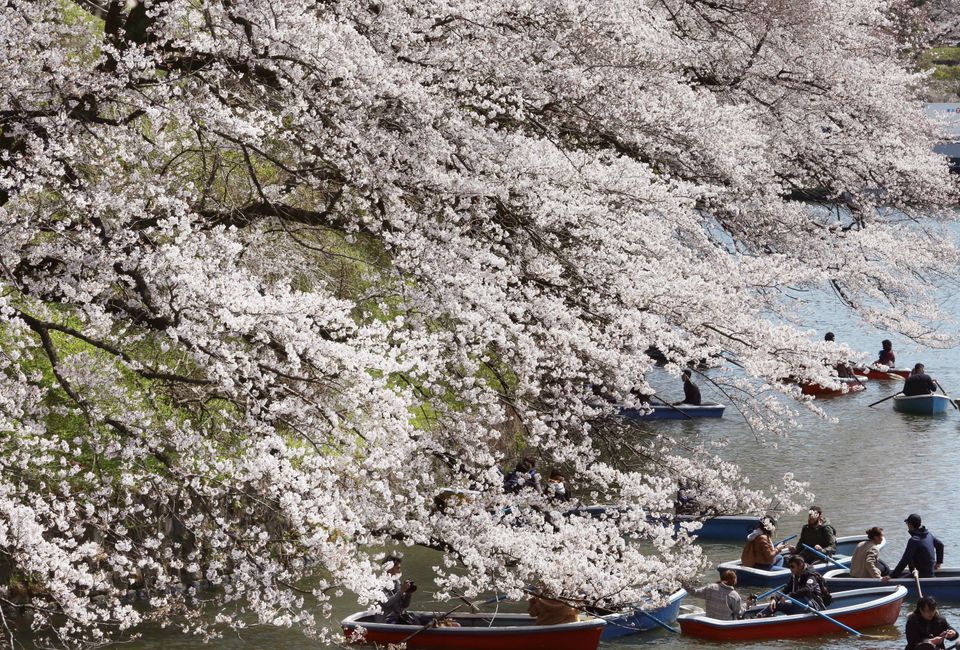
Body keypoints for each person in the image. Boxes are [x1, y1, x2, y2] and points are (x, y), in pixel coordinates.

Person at [759, 556, 827, 616]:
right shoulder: (795, 575)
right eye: (789, 567)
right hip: (798, 604)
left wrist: (789, 596)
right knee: (775, 604)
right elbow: (787, 589)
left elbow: (807, 589)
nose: (790, 569)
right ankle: (759, 616)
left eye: (792, 566)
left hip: (812, 606)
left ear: (800, 565)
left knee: (795, 605)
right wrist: (775, 598)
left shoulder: (811, 576)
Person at [891, 514, 944, 579]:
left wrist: (891, 577)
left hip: (920, 576)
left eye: (907, 523)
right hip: (930, 573)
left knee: (897, 581)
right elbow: (940, 545)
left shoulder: (914, 540)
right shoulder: (928, 534)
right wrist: (939, 562)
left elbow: (904, 560)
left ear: (910, 525)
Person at [375, 556, 417, 623]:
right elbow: (387, 603)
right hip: (386, 620)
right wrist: (401, 591)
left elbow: (404, 605)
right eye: (398, 568)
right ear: (389, 568)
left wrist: (408, 593)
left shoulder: (397, 582)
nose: (399, 571)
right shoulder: (379, 584)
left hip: (398, 617)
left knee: (417, 621)